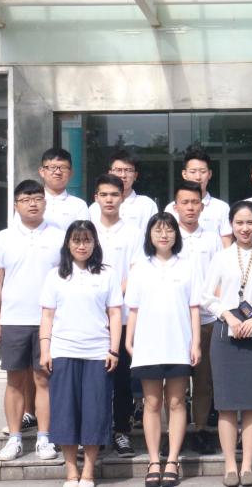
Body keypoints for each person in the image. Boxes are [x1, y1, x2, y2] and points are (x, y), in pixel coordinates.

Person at [203, 201, 252, 487]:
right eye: (239, 223)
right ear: (231, 225)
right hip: (226, 335)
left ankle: (247, 465)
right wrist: (227, 315)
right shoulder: (221, 257)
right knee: (226, 404)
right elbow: (206, 296)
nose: (245, 228)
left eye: (250, 222)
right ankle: (229, 466)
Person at [39, 220, 123, 487]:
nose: (82, 245)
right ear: (68, 243)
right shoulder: (55, 275)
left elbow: (115, 313)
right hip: (63, 351)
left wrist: (114, 350)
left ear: (95, 243)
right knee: (65, 412)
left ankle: (88, 472)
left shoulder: (107, 274)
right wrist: (45, 350)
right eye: (77, 240)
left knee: (95, 412)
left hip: (98, 352)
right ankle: (71, 472)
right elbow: (47, 316)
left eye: (87, 240)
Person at [0, 179, 65, 462]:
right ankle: (15, 438)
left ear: (45, 202)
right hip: (14, 320)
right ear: (15, 205)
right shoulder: (4, 238)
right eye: (26, 199)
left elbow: (66, 279)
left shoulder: (59, 236)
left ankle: (45, 438)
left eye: (37, 198)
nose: (32, 203)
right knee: (15, 381)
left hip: (50, 320)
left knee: (44, 380)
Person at [126, 212, 202, 487]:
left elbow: (194, 308)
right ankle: (153, 461)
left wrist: (195, 343)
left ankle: (172, 460)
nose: (164, 235)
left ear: (176, 235)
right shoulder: (140, 268)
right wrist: (129, 340)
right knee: (152, 403)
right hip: (148, 344)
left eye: (169, 230)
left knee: (177, 402)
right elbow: (133, 309)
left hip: (179, 343)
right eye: (158, 230)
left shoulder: (188, 266)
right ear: (149, 235)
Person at [92, 174, 146, 458]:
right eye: (104, 195)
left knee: (123, 378)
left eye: (114, 194)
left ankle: (122, 431)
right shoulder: (87, 230)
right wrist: (98, 299)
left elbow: (136, 271)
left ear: (122, 197)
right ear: (96, 198)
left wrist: (111, 296)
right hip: (92, 317)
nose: (109, 199)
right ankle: (96, 433)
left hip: (123, 317)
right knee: (95, 379)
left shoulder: (134, 233)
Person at [173, 180, 223, 455]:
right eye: (185, 202)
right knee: (175, 382)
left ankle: (201, 429)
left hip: (206, 319)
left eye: (195, 203)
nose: (190, 207)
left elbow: (220, 277)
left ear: (202, 206)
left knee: (204, 380)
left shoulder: (212, 237)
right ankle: (174, 434)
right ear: (175, 206)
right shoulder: (168, 235)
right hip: (175, 320)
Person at [166, 146, 232, 248]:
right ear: (184, 174)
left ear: (209, 174)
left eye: (203, 171)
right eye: (193, 172)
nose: (198, 177)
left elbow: (226, 244)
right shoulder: (171, 208)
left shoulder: (222, 207)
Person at [90, 149, 159, 232]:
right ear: (110, 173)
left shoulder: (147, 205)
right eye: (118, 170)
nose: (123, 175)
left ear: (135, 175)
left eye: (128, 170)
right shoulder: (95, 207)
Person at [37, 148, 90, 232]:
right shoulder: (30, 202)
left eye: (63, 167)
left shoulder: (79, 205)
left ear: (71, 173)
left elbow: (84, 236)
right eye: (52, 167)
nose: (58, 172)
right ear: (42, 171)